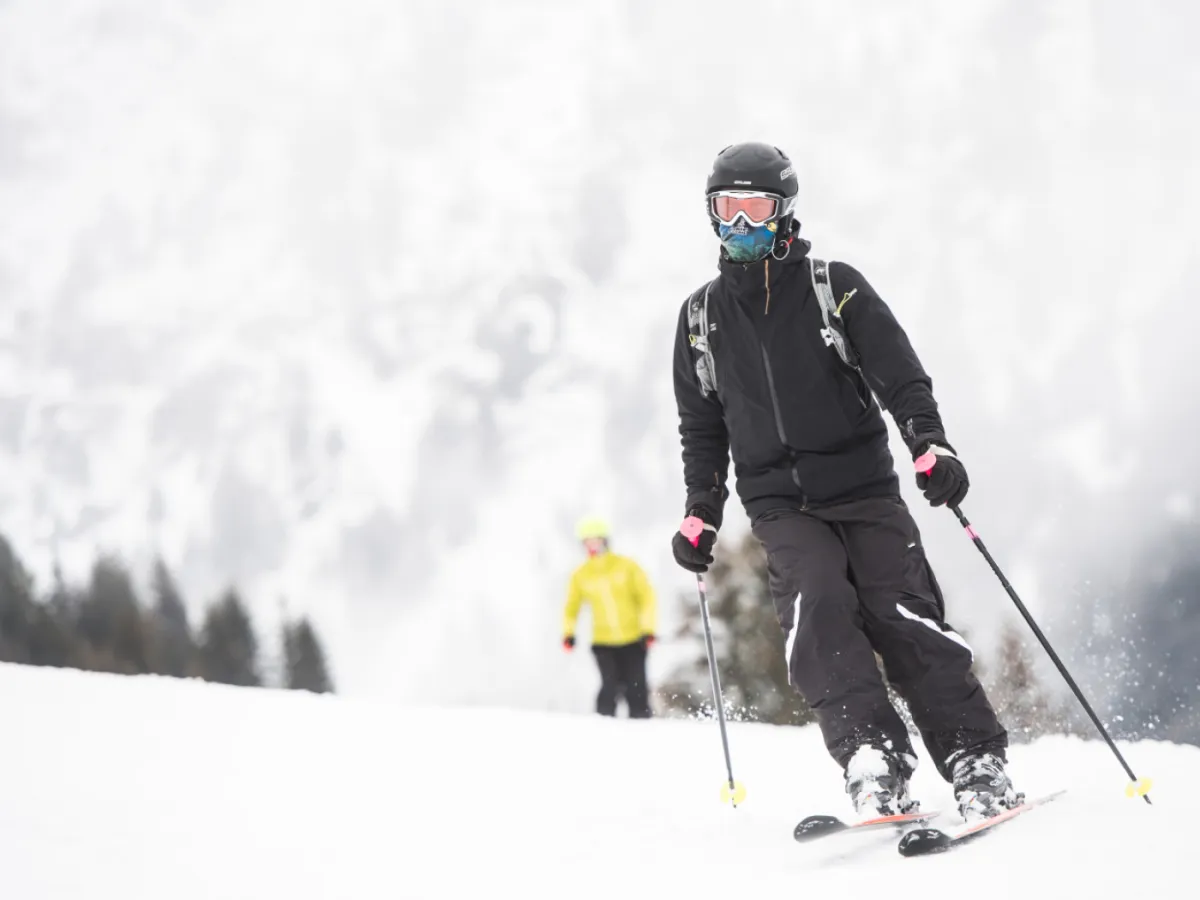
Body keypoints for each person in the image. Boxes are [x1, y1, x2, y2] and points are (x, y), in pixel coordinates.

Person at [669, 141, 1019, 821]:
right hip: (780, 504)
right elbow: (702, 428)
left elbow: (900, 376)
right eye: (726, 208)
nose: (739, 224)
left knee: (901, 614)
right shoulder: (699, 320)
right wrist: (701, 510)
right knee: (818, 604)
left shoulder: (834, 287)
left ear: (784, 212)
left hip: (864, 489)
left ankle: (975, 758)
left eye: (754, 210)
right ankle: (870, 755)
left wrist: (930, 445)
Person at [563, 516, 657, 718]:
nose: (592, 545)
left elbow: (646, 597)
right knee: (609, 688)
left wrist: (648, 629)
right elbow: (571, 607)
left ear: (605, 540)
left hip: (633, 639)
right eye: (587, 541)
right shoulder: (581, 574)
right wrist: (568, 633)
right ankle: (603, 727)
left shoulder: (626, 566)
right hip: (603, 642)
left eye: (596, 540)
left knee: (636, 690)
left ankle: (643, 728)